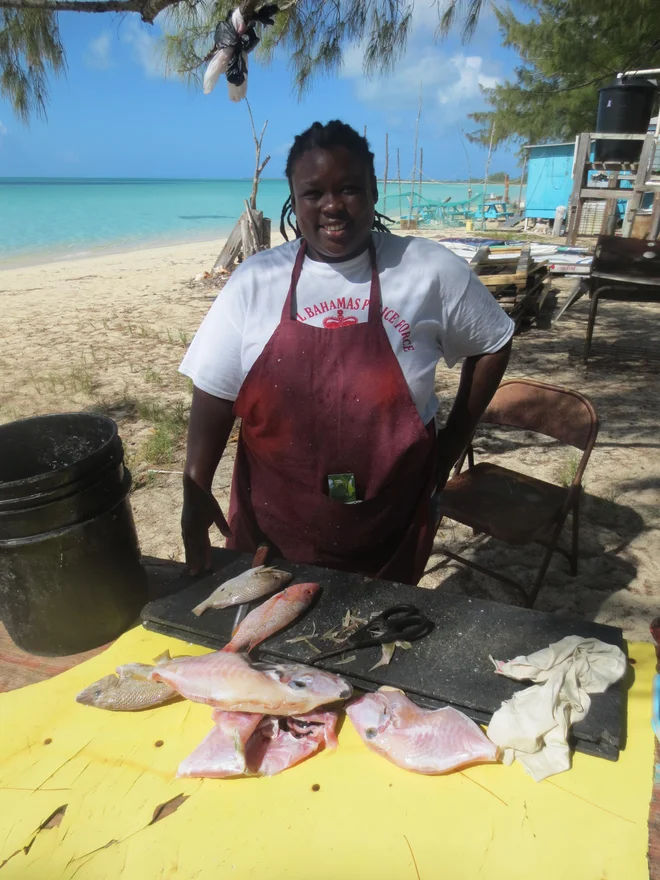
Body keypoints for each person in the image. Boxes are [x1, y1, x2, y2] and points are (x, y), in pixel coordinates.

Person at [179, 120, 513, 584]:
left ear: (374, 191)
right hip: (274, 521)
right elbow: (214, 388)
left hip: (390, 520)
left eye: (350, 189)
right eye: (313, 193)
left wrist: (452, 445)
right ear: (293, 200)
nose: (333, 206)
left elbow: (493, 340)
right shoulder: (255, 280)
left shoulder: (428, 269)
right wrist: (195, 485)